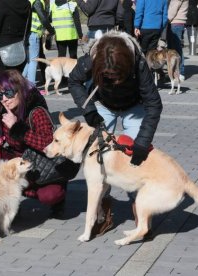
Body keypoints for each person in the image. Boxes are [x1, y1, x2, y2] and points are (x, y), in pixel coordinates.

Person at [68, 31, 163, 237]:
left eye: (116, 76)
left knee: (136, 161)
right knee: (99, 161)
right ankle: (103, 212)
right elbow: (74, 82)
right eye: (107, 77)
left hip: (134, 106)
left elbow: (154, 104)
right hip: (103, 106)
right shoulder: (93, 58)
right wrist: (89, 110)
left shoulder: (138, 63)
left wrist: (142, 143)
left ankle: (141, 211)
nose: (113, 81)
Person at [0, 69, 71, 218]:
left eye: (9, 93)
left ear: (20, 90)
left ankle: (58, 196)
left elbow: (47, 144)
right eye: (0, 95)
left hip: (42, 164)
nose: (4, 98)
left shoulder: (37, 112)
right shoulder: (4, 111)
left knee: (50, 195)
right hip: (21, 163)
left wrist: (18, 128)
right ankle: (13, 201)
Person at [0, 0, 31, 73]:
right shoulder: (27, 4)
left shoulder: (1, 2)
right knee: (17, 80)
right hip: (20, 48)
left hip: (3, 49)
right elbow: (28, 28)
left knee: (5, 81)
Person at [22, 0, 54, 86]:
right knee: (33, 61)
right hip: (34, 33)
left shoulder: (31, 1)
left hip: (28, 34)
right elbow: (43, 18)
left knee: (29, 61)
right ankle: (31, 87)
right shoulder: (37, 2)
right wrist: (52, 30)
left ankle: (19, 82)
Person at [167, 0, 188, 81]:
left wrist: (166, 20)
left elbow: (173, 9)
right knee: (174, 48)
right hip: (177, 22)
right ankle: (175, 72)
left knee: (176, 49)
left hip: (175, 22)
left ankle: (180, 73)